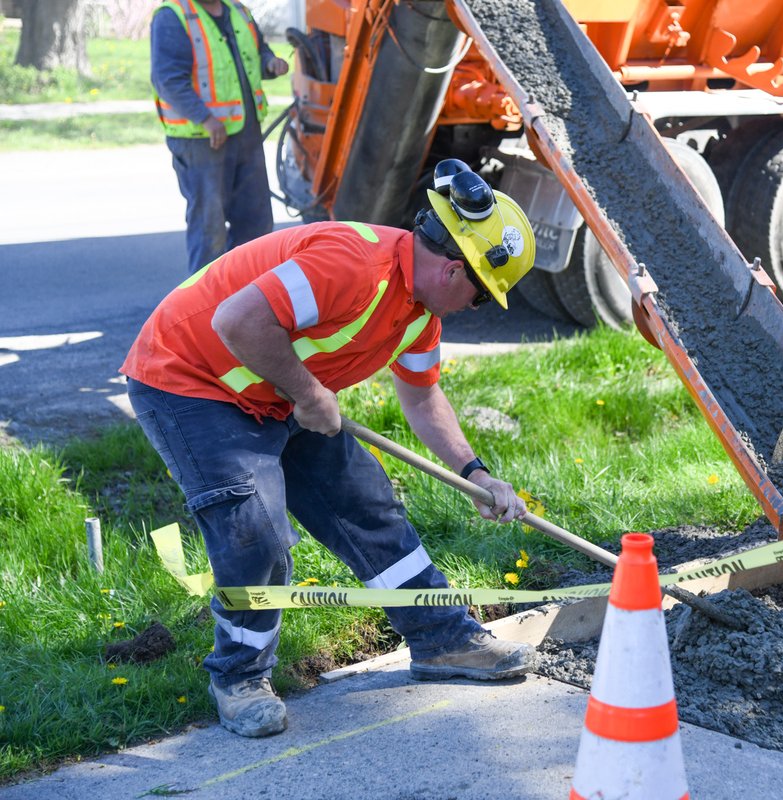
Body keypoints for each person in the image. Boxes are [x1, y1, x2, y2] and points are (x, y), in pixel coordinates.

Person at [122, 160, 539, 738]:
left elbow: (423, 401)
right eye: (483, 296)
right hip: (191, 381)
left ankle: (444, 640)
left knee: (368, 506)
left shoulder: (419, 313)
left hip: (280, 390)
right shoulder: (353, 265)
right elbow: (238, 320)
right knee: (256, 531)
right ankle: (238, 677)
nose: (477, 307)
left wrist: (477, 473)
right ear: (453, 270)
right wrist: (309, 392)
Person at [151, 0, 289, 274]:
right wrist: (207, 119)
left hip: (246, 137)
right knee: (209, 229)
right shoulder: (173, 16)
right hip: (202, 141)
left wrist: (270, 63)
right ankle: (204, 308)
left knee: (256, 225)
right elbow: (168, 80)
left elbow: (257, 55)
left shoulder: (238, 12)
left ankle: (245, 300)